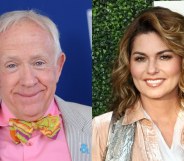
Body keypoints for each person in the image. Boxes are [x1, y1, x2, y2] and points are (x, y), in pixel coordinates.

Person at [92, 6, 184, 161]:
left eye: (164, 57)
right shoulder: (103, 129)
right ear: (129, 65)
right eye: (141, 58)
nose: (151, 69)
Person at [0, 10, 91, 161]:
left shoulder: (98, 125)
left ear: (58, 67)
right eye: (11, 65)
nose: (28, 81)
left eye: (39, 63)